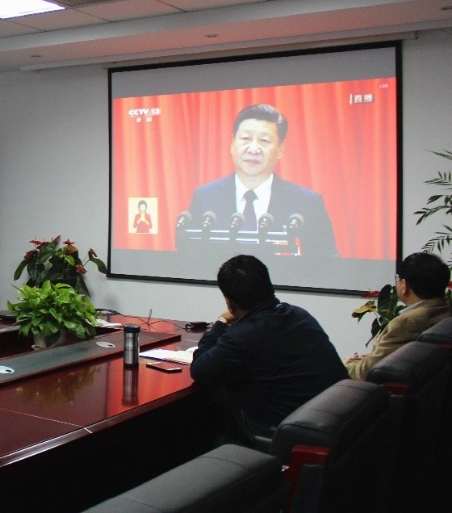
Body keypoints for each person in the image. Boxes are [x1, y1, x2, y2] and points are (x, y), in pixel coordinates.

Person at [190, 255, 348, 446]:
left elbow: (200, 370)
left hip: (278, 437)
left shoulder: (242, 338)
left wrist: (221, 323)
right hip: (331, 426)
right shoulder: (299, 315)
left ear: (229, 302)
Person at [186, 104, 338, 257]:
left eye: (264, 141)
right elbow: (191, 258)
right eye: (245, 138)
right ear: (232, 144)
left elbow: (326, 265)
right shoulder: (205, 198)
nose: (253, 149)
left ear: (280, 149)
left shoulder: (307, 203)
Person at [345, 252, 451, 380]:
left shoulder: (406, 323)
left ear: (404, 286)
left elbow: (366, 373)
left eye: (397, 279)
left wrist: (348, 363)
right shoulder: (445, 312)